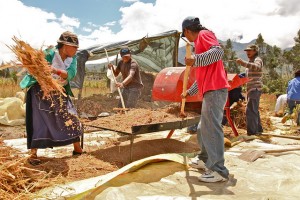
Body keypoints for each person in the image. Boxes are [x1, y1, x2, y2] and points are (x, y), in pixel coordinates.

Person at [20, 31, 84, 164]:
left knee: (71, 117)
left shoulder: (73, 59)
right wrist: (44, 76)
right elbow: (36, 69)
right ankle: (33, 154)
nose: (76, 49)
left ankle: (77, 149)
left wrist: (56, 71)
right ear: (65, 46)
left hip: (59, 90)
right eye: (74, 47)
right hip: (40, 90)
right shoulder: (48, 54)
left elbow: (70, 74)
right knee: (39, 121)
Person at [181, 16, 230, 182]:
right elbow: (201, 77)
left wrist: (195, 59)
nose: (186, 38)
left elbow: (218, 52)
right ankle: (204, 159)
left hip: (215, 90)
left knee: (211, 128)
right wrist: (189, 91)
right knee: (203, 128)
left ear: (187, 30)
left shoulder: (204, 34)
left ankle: (218, 170)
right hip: (211, 89)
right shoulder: (200, 44)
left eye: (185, 35)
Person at [235, 44, 263, 136]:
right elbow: (248, 73)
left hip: (255, 88)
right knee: (254, 110)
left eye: (249, 51)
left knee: (250, 110)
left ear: (255, 51)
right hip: (251, 89)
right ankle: (258, 130)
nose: (247, 52)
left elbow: (257, 67)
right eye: (246, 51)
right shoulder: (251, 61)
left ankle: (252, 133)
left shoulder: (257, 59)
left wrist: (242, 63)